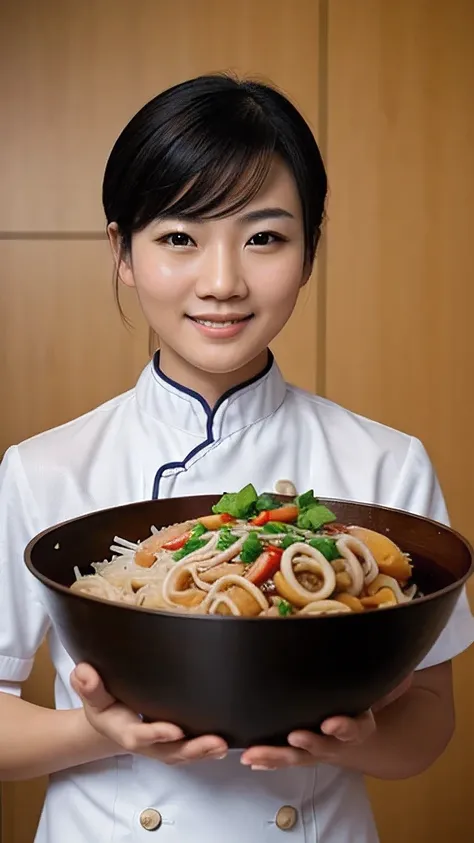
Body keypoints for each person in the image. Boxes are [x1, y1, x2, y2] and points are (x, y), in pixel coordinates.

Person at [0, 73, 472, 843]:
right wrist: (100, 731)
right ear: (123, 251)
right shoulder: (43, 468)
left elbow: (430, 719)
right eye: (179, 238)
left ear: (309, 250)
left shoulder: (388, 461)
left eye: (264, 237)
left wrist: (356, 739)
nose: (222, 282)